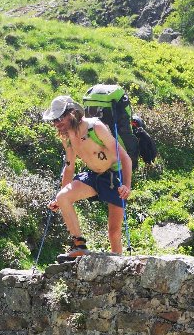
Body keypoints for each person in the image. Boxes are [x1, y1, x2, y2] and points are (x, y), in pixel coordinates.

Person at [41, 95, 132, 258]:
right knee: (63, 197)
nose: (57, 123)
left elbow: (125, 157)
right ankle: (79, 245)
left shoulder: (95, 127)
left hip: (113, 176)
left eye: (60, 117)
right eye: (54, 120)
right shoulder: (68, 137)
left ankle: (118, 266)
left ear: (72, 113)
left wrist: (126, 185)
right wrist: (60, 199)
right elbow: (69, 169)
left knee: (114, 232)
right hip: (92, 176)